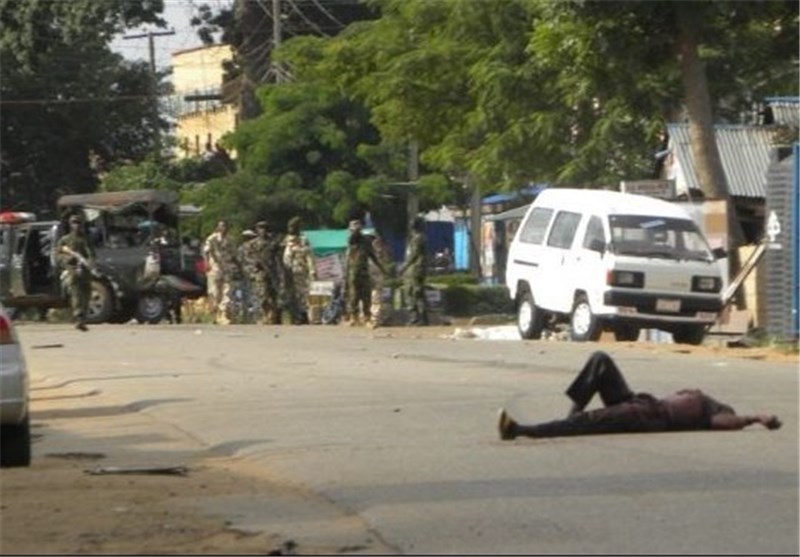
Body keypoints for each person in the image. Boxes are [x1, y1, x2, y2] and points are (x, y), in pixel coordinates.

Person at [498, 351, 782, 441]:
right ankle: (572, 416)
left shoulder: (715, 414)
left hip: (649, 416)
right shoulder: (705, 400)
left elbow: (725, 424)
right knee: (600, 360)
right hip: (640, 401)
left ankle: (521, 430)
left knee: (595, 420)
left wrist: (754, 418)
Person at [344, 219, 388, 326]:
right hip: (353, 272)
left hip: (363, 271)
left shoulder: (366, 241)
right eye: (353, 227)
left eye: (358, 226)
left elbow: (372, 255)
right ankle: (354, 318)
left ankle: (367, 317)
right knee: (354, 295)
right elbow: (352, 238)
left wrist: (382, 268)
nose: (356, 228)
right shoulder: (352, 240)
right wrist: (355, 231)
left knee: (366, 296)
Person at [56, 214, 96, 331]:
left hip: (85, 271)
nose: (76, 225)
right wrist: (68, 259)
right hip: (72, 271)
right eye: (74, 223)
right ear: (70, 224)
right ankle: (79, 319)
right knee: (76, 294)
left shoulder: (86, 239)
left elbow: (91, 254)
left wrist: (89, 262)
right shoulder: (65, 240)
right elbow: (58, 256)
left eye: (78, 223)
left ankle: (82, 319)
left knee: (86, 295)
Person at [243, 221, 283, 325]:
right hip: (260, 273)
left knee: (273, 296)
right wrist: (254, 262)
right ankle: (265, 315)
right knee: (263, 295)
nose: (263, 230)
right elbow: (246, 257)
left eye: (265, 228)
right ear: (257, 230)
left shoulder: (273, 243)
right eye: (260, 228)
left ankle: (272, 317)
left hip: (273, 272)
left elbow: (279, 257)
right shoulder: (252, 244)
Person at [203, 220, 238, 324]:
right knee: (214, 292)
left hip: (227, 267)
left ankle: (224, 314)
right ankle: (215, 314)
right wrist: (206, 263)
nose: (224, 228)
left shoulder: (231, 239)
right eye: (221, 226)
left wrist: (237, 265)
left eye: (225, 226)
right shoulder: (212, 238)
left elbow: (234, 254)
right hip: (215, 267)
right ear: (218, 227)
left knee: (227, 290)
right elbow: (206, 252)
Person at [282, 217, 315, 325]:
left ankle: (302, 315)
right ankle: (293, 315)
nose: (290, 229)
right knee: (290, 294)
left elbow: (309, 256)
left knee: (301, 294)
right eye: (289, 227)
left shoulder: (303, 240)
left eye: (293, 227)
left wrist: (312, 270)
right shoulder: (285, 240)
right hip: (287, 271)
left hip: (300, 271)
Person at [398, 216, 428, 326]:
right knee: (416, 293)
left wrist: (403, 267)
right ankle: (420, 318)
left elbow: (413, 255)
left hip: (415, 270)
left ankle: (416, 318)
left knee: (413, 293)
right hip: (415, 269)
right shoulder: (417, 238)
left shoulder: (418, 238)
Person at [367, 231, 393, 329]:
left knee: (375, 298)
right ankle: (371, 319)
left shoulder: (377, 248)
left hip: (375, 276)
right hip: (372, 275)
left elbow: (384, 261)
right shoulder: (380, 248)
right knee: (373, 298)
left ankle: (375, 320)